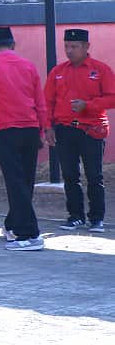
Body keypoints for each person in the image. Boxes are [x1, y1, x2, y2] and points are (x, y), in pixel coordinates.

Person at [0, 27, 49, 250]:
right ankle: (13, 223)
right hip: (30, 129)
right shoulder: (29, 66)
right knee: (24, 181)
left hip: (7, 130)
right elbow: (40, 101)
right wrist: (43, 130)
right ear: (13, 44)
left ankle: (30, 234)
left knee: (15, 182)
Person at [47, 29, 114, 232]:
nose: (69, 50)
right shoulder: (57, 72)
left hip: (92, 130)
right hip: (64, 130)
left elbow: (112, 97)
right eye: (66, 46)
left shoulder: (101, 70)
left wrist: (89, 105)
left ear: (86, 47)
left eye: (74, 46)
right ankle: (75, 216)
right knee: (69, 175)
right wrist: (48, 127)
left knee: (94, 175)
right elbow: (47, 101)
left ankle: (97, 219)